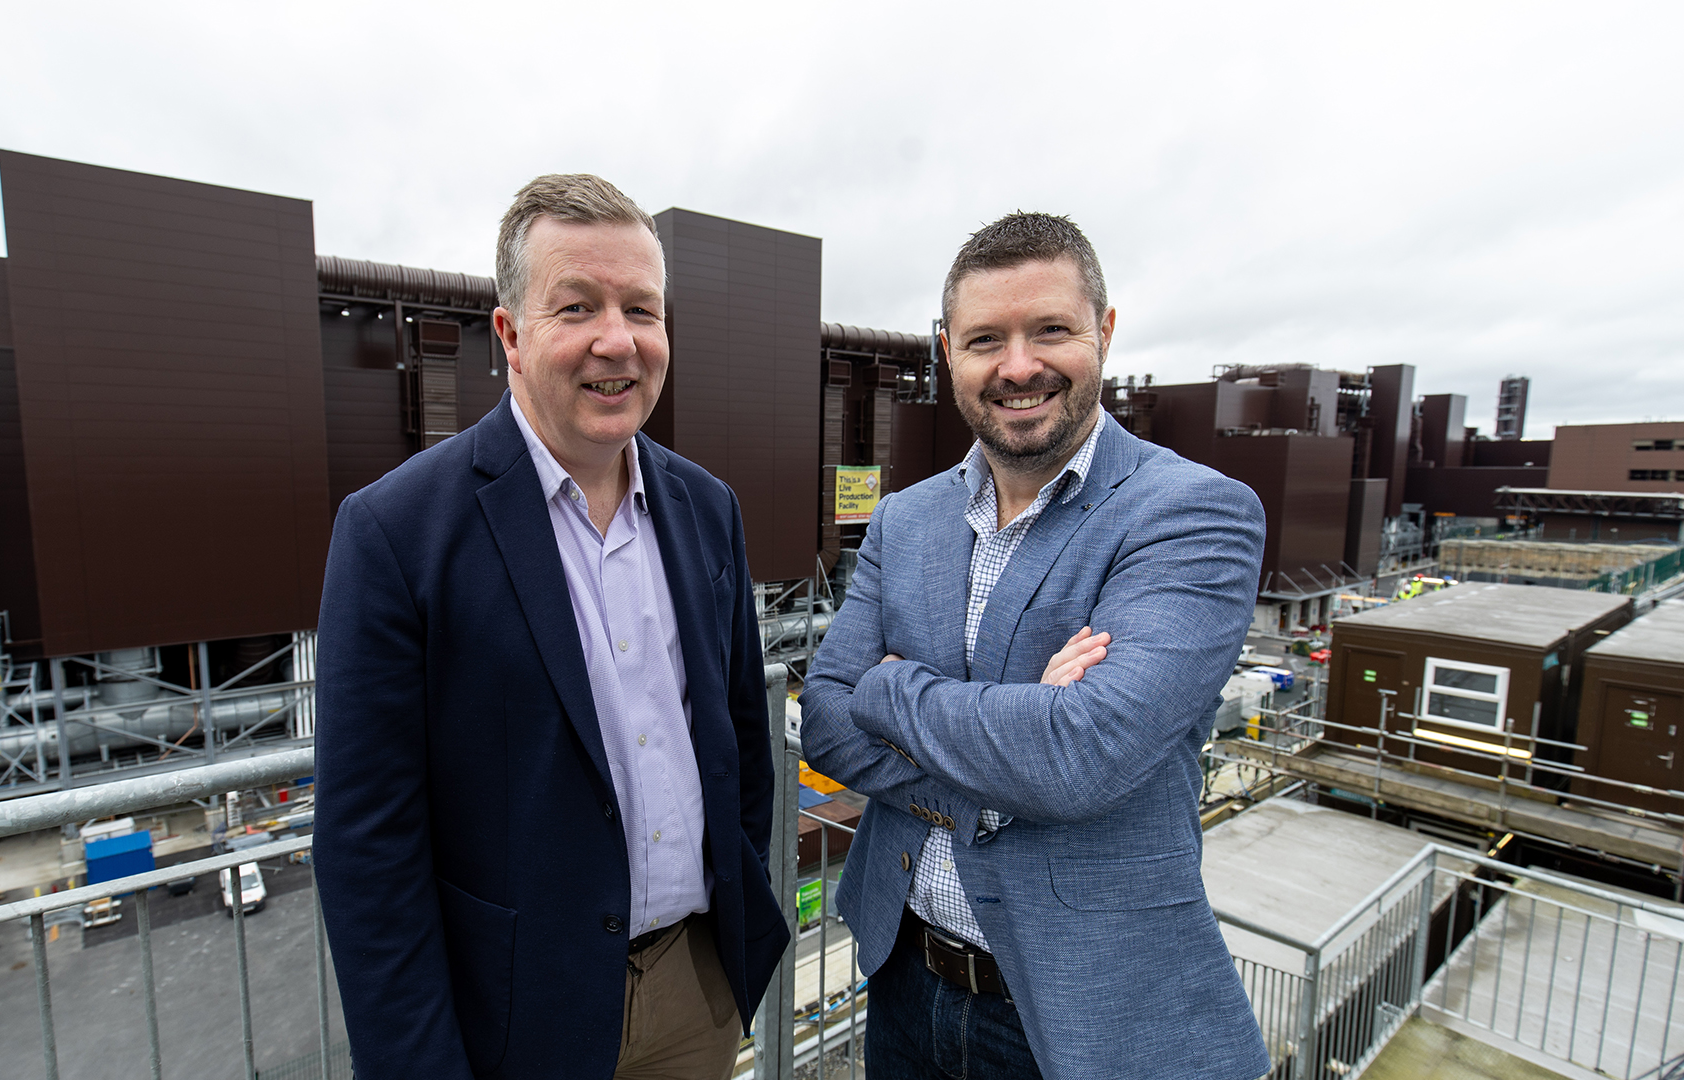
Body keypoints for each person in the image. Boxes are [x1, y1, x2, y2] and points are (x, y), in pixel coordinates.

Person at [314, 174, 787, 1080]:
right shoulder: (395, 533)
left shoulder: (707, 509)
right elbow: (368, 849)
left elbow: (736, 748)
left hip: (697, 992)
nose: (619, 340)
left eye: (642, 309)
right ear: (511, 337)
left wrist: (732, 941)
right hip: (516, 1020)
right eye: (578, 306)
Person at [799, 213, 1271, 1080]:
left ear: (1106, 332)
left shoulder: (1191, 513)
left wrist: (896, 691)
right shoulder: (906, 519)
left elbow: (1083, 754)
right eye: (986, 339)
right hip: (907, 977)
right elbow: (826, 718)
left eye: (1050, 329)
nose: (1019, 366)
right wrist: (1019, 736)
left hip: (1083, 1011)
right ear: (948, 353)